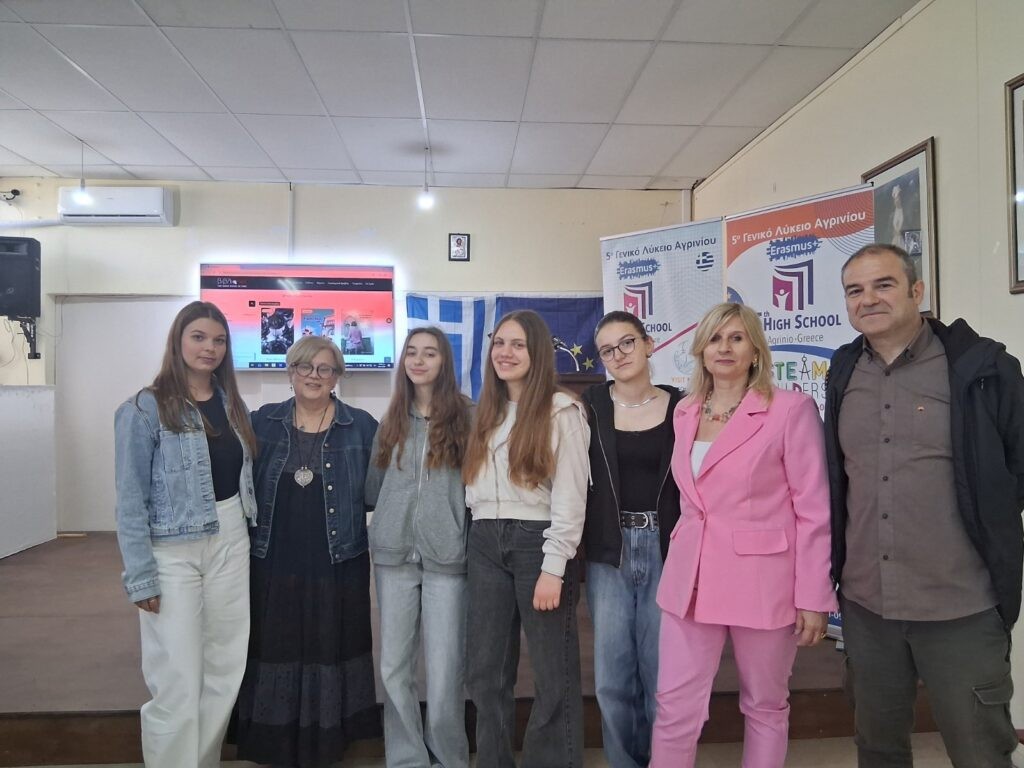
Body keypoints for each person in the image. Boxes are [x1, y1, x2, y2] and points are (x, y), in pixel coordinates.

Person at [824, 243, 1024, 767]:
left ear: (917, 290)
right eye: (854, 290)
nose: (868, 299)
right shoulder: (844, 371)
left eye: (883, 284)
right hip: (868, 607)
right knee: (878, 749)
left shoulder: (983, 368)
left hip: (960, 607)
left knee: (981, 754)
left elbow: (1015, 471)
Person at [651, 302, 836, 768]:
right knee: (674, 705)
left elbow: (813, 510)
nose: (725, 347)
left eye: (736, 337)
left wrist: (813, 595)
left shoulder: (790, 410)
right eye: (715, 338)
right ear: (701, 349)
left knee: (765, 705)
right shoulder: (685, 411)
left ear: (755, 349)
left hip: (762, 582)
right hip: (689, 580)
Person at [114, 300, 257, 768]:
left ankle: (202, 761)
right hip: (171, 550)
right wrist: (140, 575)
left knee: (224, 667)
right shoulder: (143, 408)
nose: (209, 348)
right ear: (178, 340)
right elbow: (130, 500)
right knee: (175, 674)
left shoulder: (233, 405)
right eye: (198, 337)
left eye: (218, 340)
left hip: (231, 537)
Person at [235, 336, 381, 768]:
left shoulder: (362, 426)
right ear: (290, 371)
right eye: (305, 367)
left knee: (330, 641)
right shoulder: (261, 423)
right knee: (275, 640)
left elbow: (377, 493)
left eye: (324, 369)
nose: (314, 376)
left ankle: (329, 738)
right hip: (274, 557)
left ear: (337, 376)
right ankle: (272, 739)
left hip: (338, 559)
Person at [463, 309, 590, 768]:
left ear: (536, 352)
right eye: (499, 343)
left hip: (538, 543)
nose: (505, 353)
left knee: (553, 672)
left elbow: (571, 498)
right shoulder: (485, 412)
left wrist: (553, 568)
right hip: (484, 540)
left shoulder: (562, 411)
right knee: (485, 672)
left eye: (517, 344)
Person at [365, 327, 474, 768]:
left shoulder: (468, 418)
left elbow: (475, 488)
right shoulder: (391, 419)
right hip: (393, 558)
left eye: (430, 353)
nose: (419, 360)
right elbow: (374, 487)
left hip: (448, 559)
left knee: (446, 669)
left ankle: (449, 757)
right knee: (394, 666)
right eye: (412, 352)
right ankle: (407, 758)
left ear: (444, 361)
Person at [581, 310, 683, 768]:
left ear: (648, 344)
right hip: (610, 549)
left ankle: (664, 760)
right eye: (607, 350)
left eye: (627, 343)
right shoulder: (589, 407)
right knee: (612, 677)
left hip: (667, 547)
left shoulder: (683, 406)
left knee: (662, 673)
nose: (619, 355)